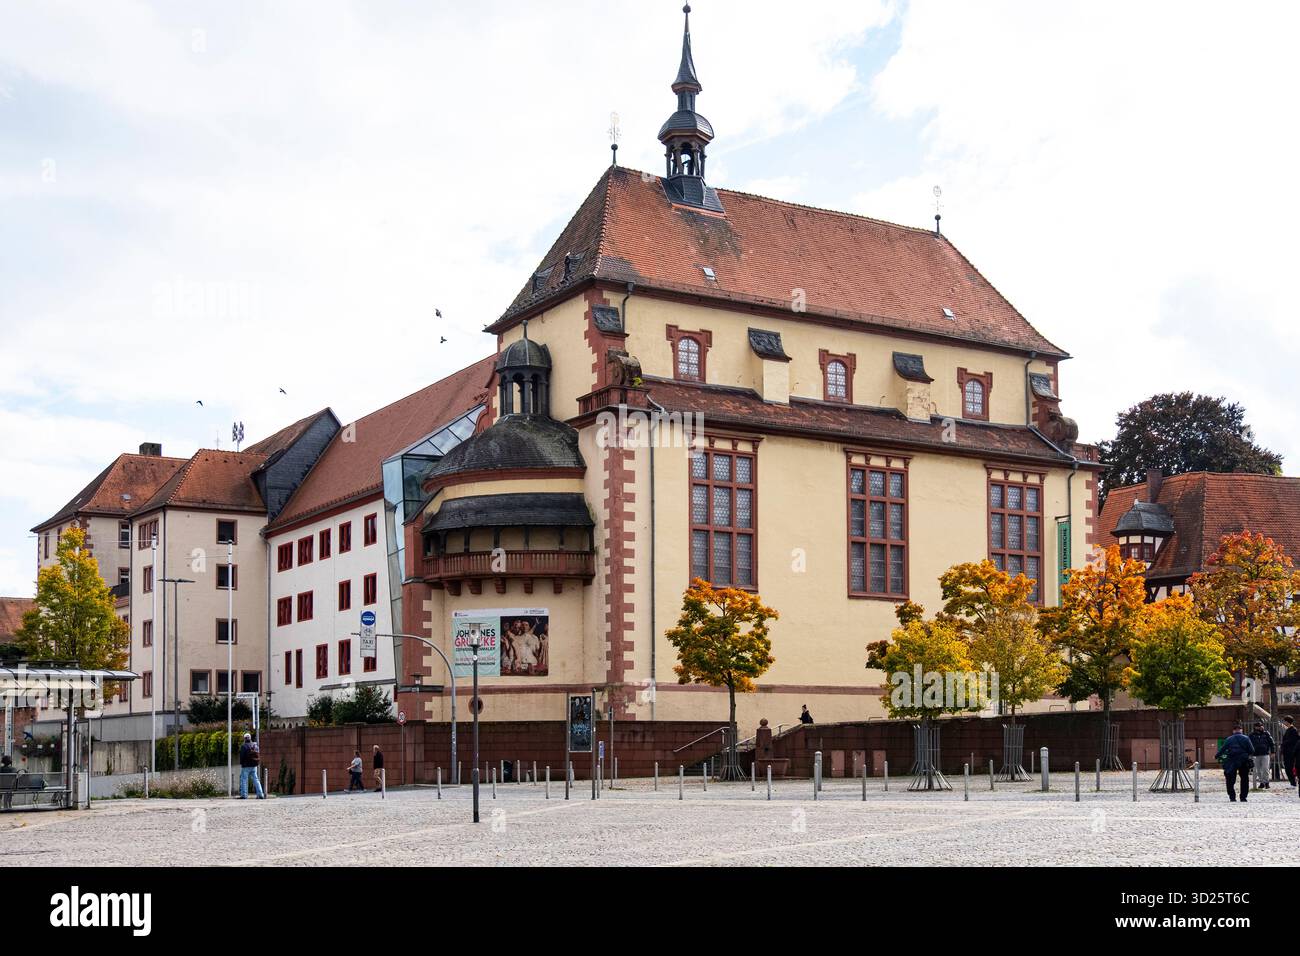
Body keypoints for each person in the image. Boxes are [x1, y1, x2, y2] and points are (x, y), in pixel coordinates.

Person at [1215, 724, 1255, 803]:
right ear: (1241, 730)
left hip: (1232, 760)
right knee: (1244, 779)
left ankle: (1232, 797)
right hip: (1243, 760)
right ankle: (1243, 797)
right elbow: (1252, 750)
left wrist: (1217, 756)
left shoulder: (1229, 739)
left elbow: (1222, 749)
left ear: (1233, 731)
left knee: (1230, 779)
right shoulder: (1246, 738)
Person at [238, 732, 265, 799]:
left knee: (244, 780)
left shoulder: (243, 746)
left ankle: (244, 795)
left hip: (246, 766)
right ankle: (260, 794)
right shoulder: (255, 745)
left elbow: (242, 756)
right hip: (254, 765)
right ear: (250, 738)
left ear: (244, 739)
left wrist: (242, 764)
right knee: (256, 780)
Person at [1248, 721, 1275, 789]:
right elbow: (1248, 744)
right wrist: (1249, 753)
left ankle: (1266, 782)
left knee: (1265, 769)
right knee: (1258, 770)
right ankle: (1262, 783)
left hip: (1265, 754)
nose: (1260, 727)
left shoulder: (1266, 734)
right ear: (1255, 727)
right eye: (1258, 726)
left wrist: (1273, 752)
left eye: (1261, 726)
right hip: (1255, 755)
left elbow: (1272, 743)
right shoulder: (1251, 735)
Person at [1281, 716, 1299, 787]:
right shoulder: (1288, 729)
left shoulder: (1293, 730)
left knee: (1290, 768)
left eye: (1284, 721)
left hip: (1290, 753)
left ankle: (1293, 783)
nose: (1284, 723)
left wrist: (1284, 743)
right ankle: (1292, 783)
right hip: (1287, 752)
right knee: (1287, 768)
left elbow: (1293, 741)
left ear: (1287, 722)